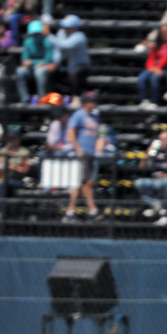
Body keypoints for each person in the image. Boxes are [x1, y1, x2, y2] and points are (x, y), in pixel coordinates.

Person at [134, 129, 167, 223]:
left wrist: (166, 175)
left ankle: (165, 215)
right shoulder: (156, 152)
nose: (160, 142)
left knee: (165, 183)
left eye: (163, 139)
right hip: (154, 180)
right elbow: (142, 167)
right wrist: (147, 154)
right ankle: (156, 205)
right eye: (159, 139)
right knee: (139, 183)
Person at [65, 90, 101, 220]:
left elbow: (100, 132)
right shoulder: (78, 115)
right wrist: (78, 149)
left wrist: (99, 144)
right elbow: (71, 132)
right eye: (93, 101)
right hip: (82, 153)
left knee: (83, 183)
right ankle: (93, 210)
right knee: (84, 182)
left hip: (92, 153)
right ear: (86, 103)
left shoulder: (96, 116)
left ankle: (71, 211)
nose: (95, 104)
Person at [50, 13, 89, 95]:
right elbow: (58, 49)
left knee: (74, 73)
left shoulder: (79, 36)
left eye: (68, 27)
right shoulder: (62, 33)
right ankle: (53, 97)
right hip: (67, 65)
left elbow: (65, 45)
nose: (65, 29)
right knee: (51, 72)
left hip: (81, 65)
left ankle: (76, 97)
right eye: (64, 27)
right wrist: (56, 63)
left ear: (74, 27)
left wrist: (48, 35)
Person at [16, 19, 54, 103]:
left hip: (44, 68)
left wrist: (33, 62)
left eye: (37, 34)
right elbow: (24, 60)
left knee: (39, 71)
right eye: (34, 34)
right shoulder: (27, 42)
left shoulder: (47, 41)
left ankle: (42, 97)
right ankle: (24, 97)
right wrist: (36, 63)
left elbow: (48, 59)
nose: (35, 35)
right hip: (31, 69)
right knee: (20, 71)